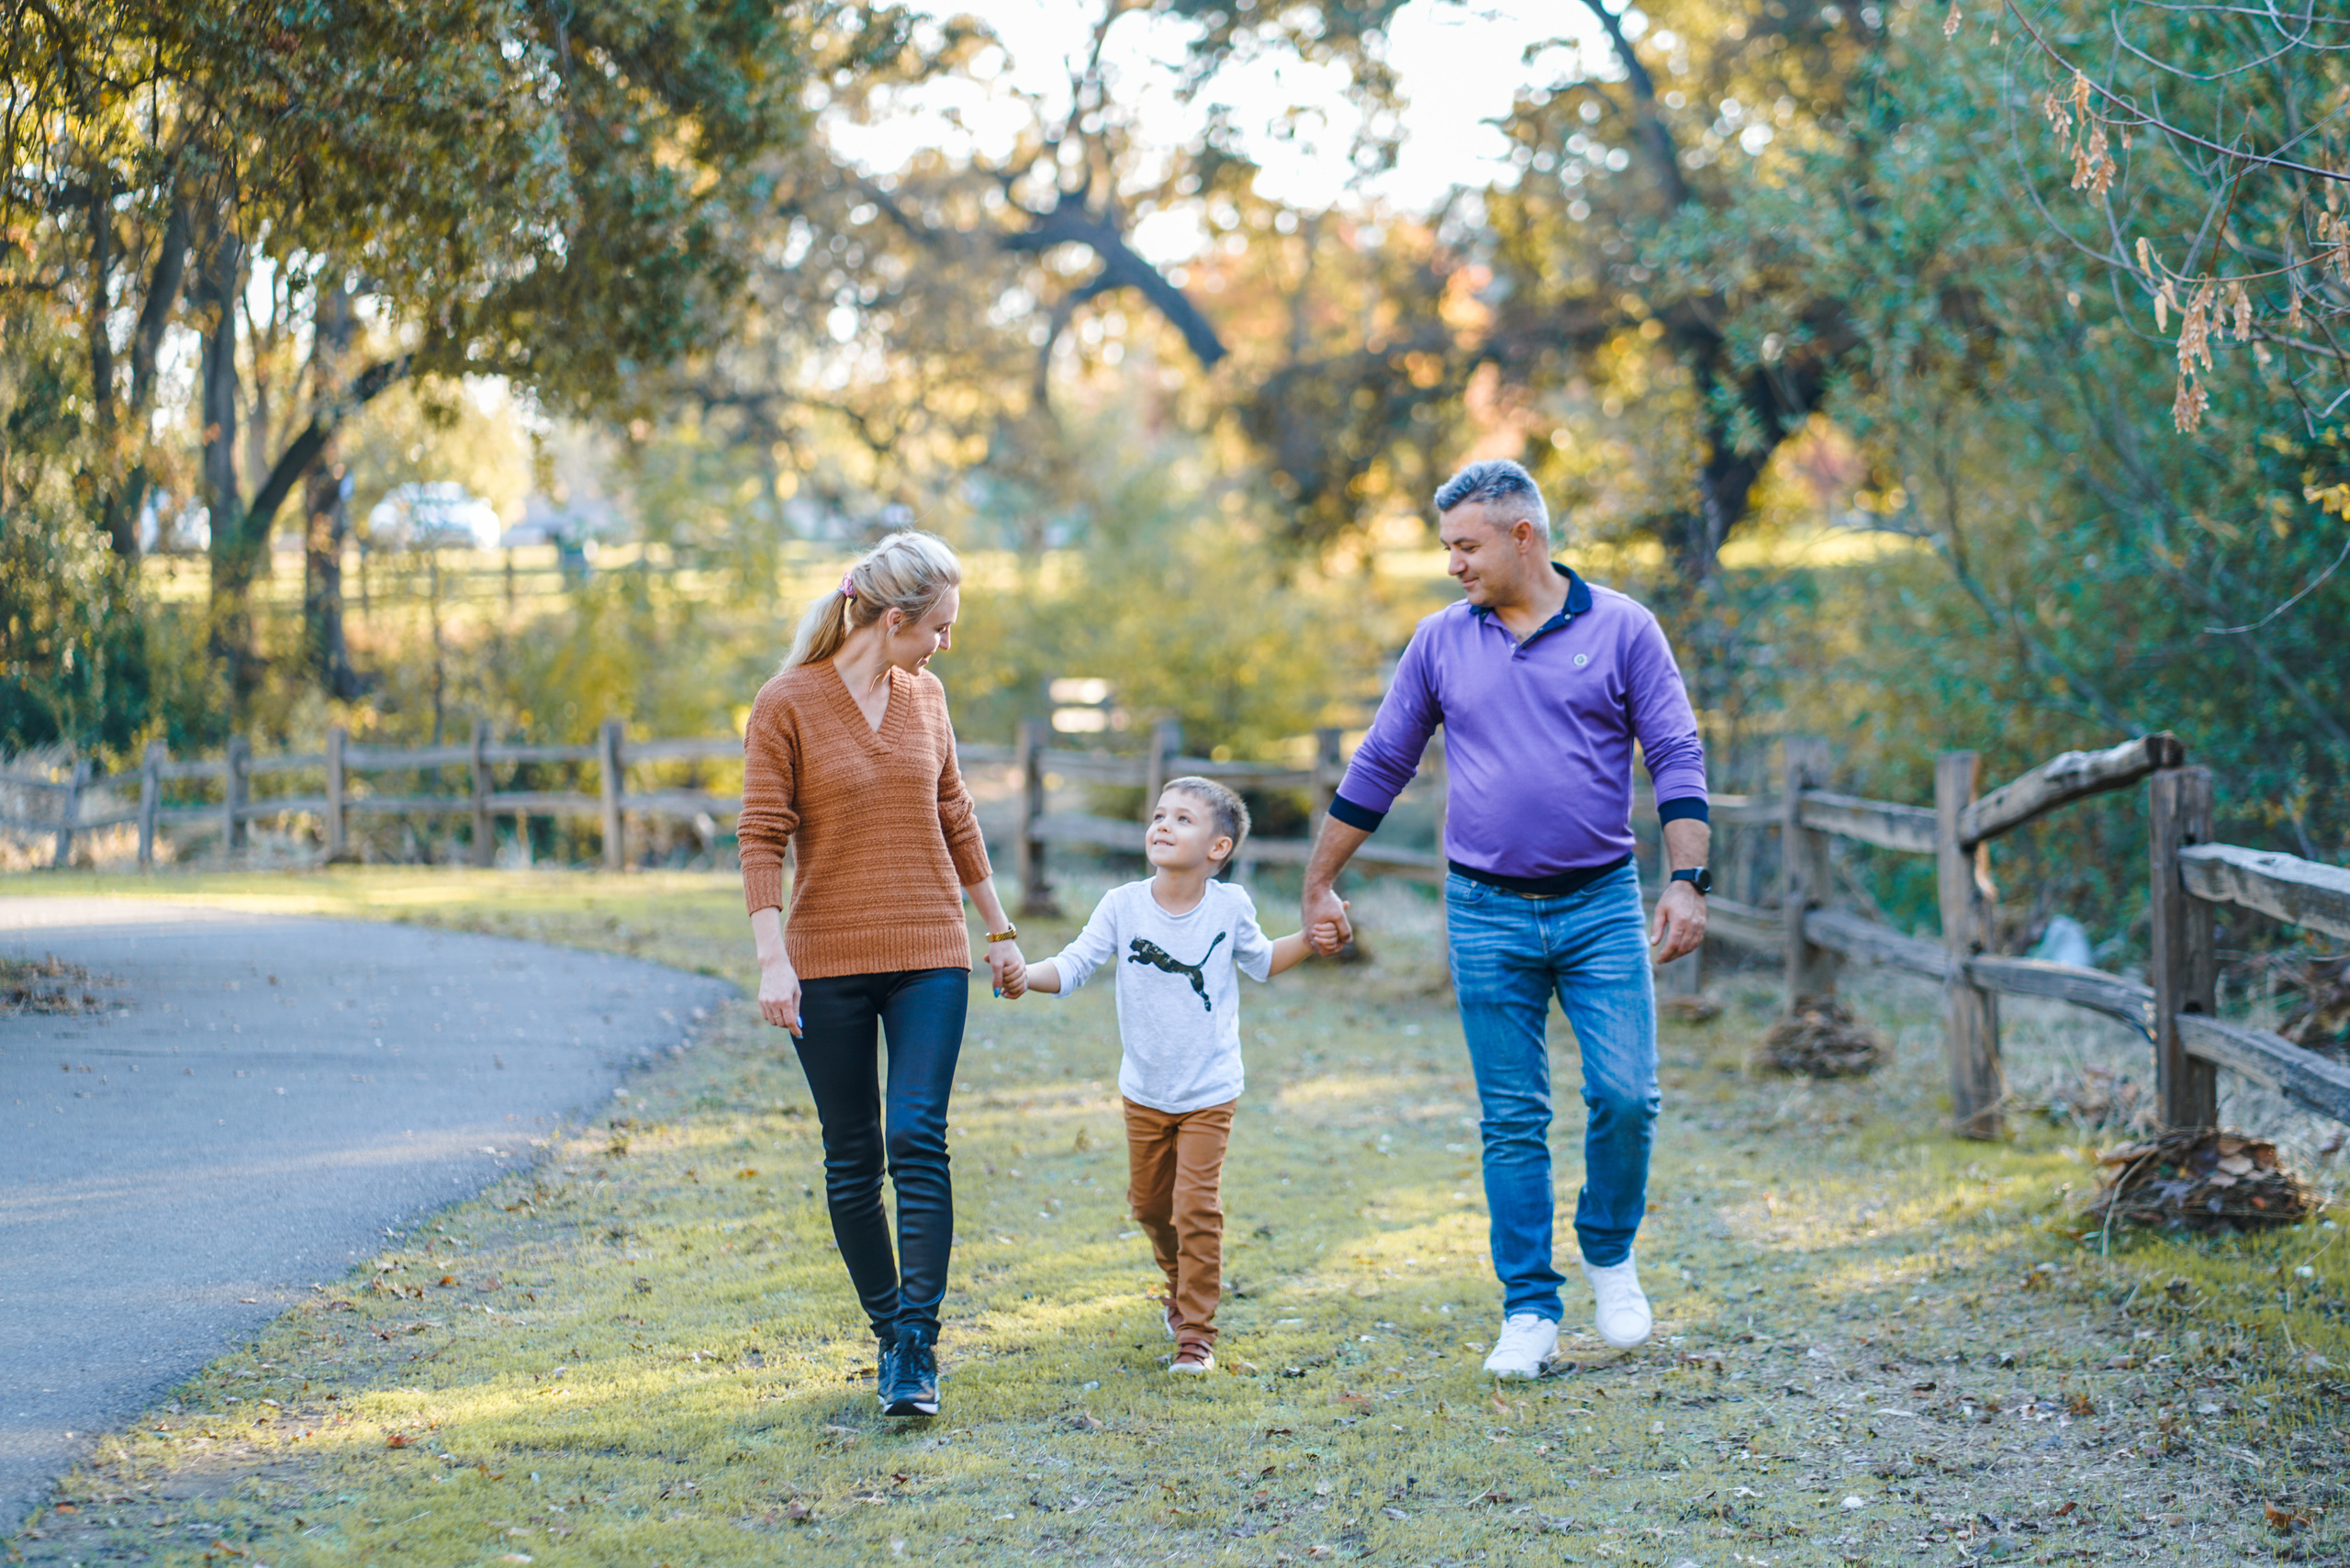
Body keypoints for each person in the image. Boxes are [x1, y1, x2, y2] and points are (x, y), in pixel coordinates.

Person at [1301, 459, 1710, 1378]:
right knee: (1512, 1116)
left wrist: (1689, 880)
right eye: (1446, 546)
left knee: (1625, 1096)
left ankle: (1607, 1247)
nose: (1452, 564)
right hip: (1483, 910)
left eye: (1465, 545)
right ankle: (1528, 1306)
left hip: (1600, 906)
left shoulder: (1622, 630)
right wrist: (1318, 880)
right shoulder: (1440, 642)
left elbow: (1676, 755)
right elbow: (1379, 766)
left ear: (1523, 536)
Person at [737, 530, 1026, 1419]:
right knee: (854, 1154)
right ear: (894, 619)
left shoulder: (927, 698)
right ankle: (890, 1330)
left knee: (916, 1136)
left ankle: (917, 1347)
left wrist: (1000, 930)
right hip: (825, 960)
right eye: (939, 626)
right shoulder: (785, 703)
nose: (946, 642)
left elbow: (957, 815)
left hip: (930, 953)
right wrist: (773, 958)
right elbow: (761, 837)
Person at [996, 778, 1322, 1373]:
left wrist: (1312, 938)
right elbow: (1074, 964)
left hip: (1209, 1089)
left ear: (1218, 848)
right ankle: (1178, 1284)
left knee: (1195, 1207)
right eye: (1159, 815)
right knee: (1150, 1208)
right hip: (1145, 1089)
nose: (1163, 826)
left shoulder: (1230, 906)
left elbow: (1264, 962)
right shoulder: (1123, 904)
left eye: (1183, 819)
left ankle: (1196, 1334)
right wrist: (1025, 974)